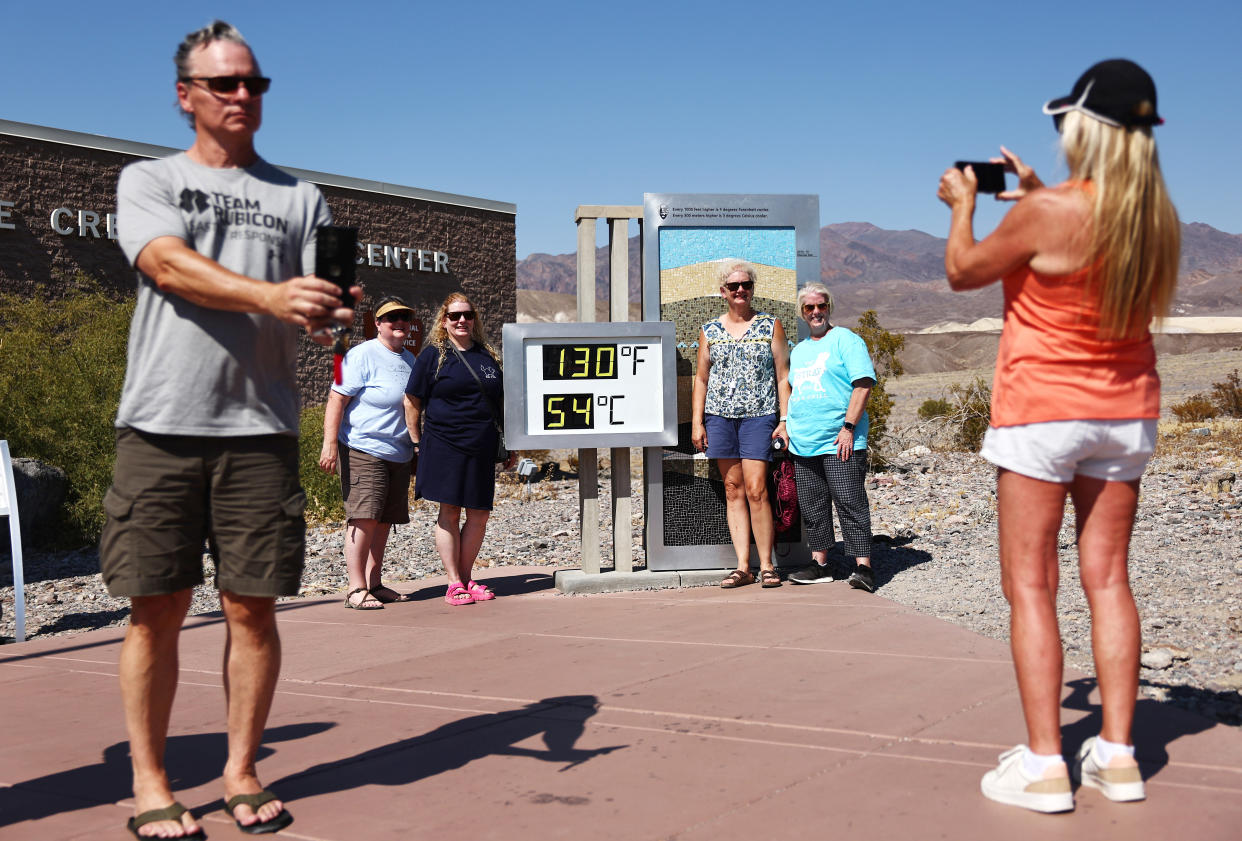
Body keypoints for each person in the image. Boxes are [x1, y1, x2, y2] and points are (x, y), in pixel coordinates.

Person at [101, 21, 359, 839]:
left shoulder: (300, 197)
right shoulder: (149, 179)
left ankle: (241, 770)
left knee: (253, 609)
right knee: (157, 608)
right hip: (160, 425)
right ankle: (152, 782)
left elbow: (315, 301)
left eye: (254, 83)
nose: (243, 95)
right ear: (187, 96)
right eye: (225, 84)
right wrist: (273, 296)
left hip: (259, 430)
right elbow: (165, 264)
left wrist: (326, 312)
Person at [938, 59, 1178, 813]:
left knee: (1030, 584)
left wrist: (962, 203)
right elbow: (1083, 241)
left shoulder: (1052, 212)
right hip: (1126, 410)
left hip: (1044, 411)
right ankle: (1118, 756)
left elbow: (962, 271)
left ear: (1084, 128)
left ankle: (1046, 765)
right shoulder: (1153, 217)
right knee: (1107, 579)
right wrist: (1038, 194)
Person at [405, 293, 514, 606]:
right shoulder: (432, 356)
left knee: (479, 513)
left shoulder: (487, 356)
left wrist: (510, 444)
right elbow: (411, 401)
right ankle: (453, 583)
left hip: (482, 446)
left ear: (474, 318)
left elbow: (501, 403)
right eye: (454, 316)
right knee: (450, 511)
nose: (461, 320)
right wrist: (416, 441)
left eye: (467, 314)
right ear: (444, 321)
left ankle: (466, 578)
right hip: (443, 444)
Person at [690, 261, 792, 589]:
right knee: (733, 490)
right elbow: (702, 379)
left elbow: (782, 375)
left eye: (745, 285)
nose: (739, 290)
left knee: (757, 489)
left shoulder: (770, 326)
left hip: (759, 417)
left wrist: (784, 419)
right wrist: (697, 422)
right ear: (723, 292)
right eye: (733, 286)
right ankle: (742, 566)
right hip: (719, 418)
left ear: (752, 288)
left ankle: (767, 566)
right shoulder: (709, 331)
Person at [319, 297, 418, 610]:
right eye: (392, 319)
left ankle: (374, 583)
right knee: (363, 517)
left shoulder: (409, 360)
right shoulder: (361, 356)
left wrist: (416, 443)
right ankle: (355, 588)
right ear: (378, 324)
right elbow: (337, 399)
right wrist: (330, 443)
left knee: (384, 520)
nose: (399, 323)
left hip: (398, 452)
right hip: (364, 447)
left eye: (404, 318)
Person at [783, 283, 878, 592]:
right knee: (813, 507)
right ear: (802, 312)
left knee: (850, 503)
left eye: (821, 306)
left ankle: (863, 568)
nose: (816, 312)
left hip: (839, 441)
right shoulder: (799, 351)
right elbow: (794, 392)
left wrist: (849, 427)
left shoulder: (846, 340)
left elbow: (863, 384)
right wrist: (786, 424)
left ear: (829, 307)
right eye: (809, 308)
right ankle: (820, 564)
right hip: (803, 443)